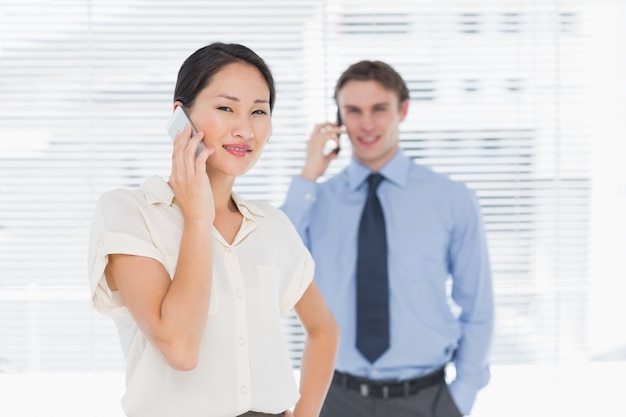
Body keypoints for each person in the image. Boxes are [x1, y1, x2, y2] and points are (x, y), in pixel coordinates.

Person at [87, 42, 339, 417]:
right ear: (181, 116)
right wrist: (198, 218)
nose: (245, 128)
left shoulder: (271, 225)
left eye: (259, 111)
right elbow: (180, 348)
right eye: (226, 108)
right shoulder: (130, 212)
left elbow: (324, 329)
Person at [281, 60, 494, 417]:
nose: (366, 123)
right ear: (339, 119)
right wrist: (308, 175)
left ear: (403, 110)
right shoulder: (316, 202)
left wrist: (463, 393)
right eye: (353, 110)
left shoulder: (451, 199)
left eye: (379, 109)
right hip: (333, 398)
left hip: (428, 400)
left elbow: (478, 305)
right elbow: (274, 268)